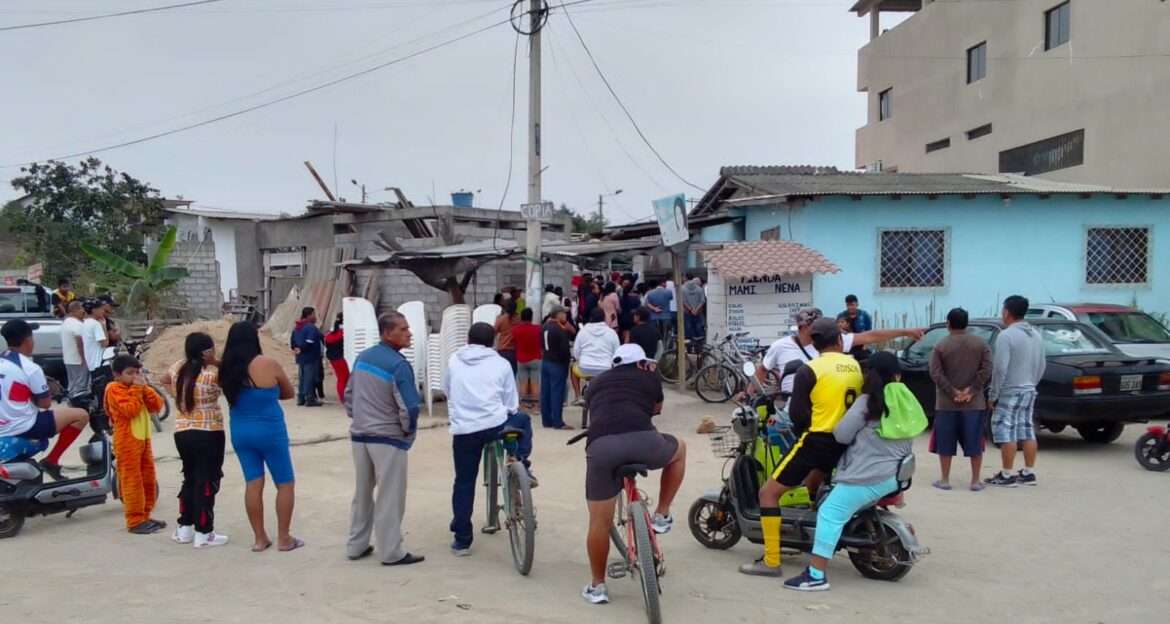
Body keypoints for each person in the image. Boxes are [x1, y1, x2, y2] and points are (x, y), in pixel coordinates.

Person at [741, 318, 862, 577]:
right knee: (813, 486)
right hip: (846, 441)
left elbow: (797, 414)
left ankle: (771, 561)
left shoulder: (810, 370)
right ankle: (812, 537)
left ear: (814, 343)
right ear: (840, 340)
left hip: (817, 439)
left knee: (768, 494)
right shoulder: (854, 366)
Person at [783, 352, 915, 592]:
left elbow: (842, 434)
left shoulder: (867, 402)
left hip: (868, 475)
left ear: (870, 375)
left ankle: (815, 575)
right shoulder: (904, 398)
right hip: (897, 472)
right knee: (839, 504)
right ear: (897, 374)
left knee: (829, 512)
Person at [580, 343, 686, 605]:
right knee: (680, 448)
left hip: (603, 448)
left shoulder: (596, 383)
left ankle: (598, 586)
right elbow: (656, 410)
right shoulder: (648, 377)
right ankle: (662, 514)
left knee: (598, 523)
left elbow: (593, 408)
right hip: (645, 443)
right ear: (640, 363)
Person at [443, 322, 536, 556]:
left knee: (464, 482)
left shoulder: (454, 360)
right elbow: (511, 403)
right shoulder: (501, 363)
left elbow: (448, 389)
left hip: (465, 430)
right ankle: (520, 462)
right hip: (495, 425)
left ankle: (462, 539)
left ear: (467, 339)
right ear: (493, 340)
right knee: (522, 420)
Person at [345, 312, 425, 566]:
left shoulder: (362, 358)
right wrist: (407, 432)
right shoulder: (398, 365)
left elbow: (349, 393)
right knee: (390, 496)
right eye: (403, 329)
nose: (409, 333)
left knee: (362, 493)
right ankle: (391, 552)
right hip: (387, 438)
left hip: (360, 435)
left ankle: (356, 545)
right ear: (387, 333)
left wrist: (358, 417)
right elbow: (410, 406)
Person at [221, 321, 303, 552]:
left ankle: (260, 538)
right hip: (270, 431)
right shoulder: (268, 364)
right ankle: (284, 538)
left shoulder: (225, 368)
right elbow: (288, 393)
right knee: (285, 483)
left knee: (253, 483)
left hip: (240, 432)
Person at [756, 308, 923, 397]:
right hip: (794, 409)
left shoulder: (834, 341)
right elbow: (763, 369)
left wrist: (905, 332)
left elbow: (869, 336)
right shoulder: (780, 346)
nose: (819, 328)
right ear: (803, 327)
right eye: (815, 324)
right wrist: (750, 395)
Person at [162, 332, 229, 548]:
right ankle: (204, 531)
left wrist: (177, 396)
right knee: (207, 480)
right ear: (206, 352)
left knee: (190, 478)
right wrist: (216, 362)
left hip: (182, 431)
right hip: (209, 431)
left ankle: (185, 528)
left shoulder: (178, 367)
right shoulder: (213, 372)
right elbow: (232, 376)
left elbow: (164, 379)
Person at [0, 320, 89, 481]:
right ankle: (52, 460)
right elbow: (45, 404)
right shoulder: (30, 368)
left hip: (3, 425)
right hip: (24, 426)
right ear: (28, 341)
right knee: (81, 415)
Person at [985, 295, 1046, 487]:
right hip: (1029, 389)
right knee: (1027, 430)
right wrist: (1032, 383)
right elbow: (1042, 364)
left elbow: (1000, 368)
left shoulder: (1007, 336)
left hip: (1010, 390)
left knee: (1006, 432)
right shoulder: (1036, 334)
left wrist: (993, 394)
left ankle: (1006, 474)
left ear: (1006, 312)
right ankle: (1029, 471)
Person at [929, 308, 992, 491]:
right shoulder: (980, 344)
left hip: (946, 404)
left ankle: (945, 479)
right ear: (967, 322)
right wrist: (971, 390)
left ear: (948, 322)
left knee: (945, 443)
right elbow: (987, 369)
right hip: (974, 403)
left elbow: (935, 373)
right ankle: (975, 480)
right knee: (975, 443)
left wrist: (952, 392)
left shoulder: (941, 345)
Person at [104, 354, 167, 534]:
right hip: (127, 441)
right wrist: (137, 390)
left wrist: (144, 388)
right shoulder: (113, 389)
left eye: (137, 372)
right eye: (130, 373)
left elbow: (157, 405)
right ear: (117, 375)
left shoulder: (137, 387)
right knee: (132, 480)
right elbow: (129, 410)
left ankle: (145, 515)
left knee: (147, 477)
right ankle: (134, 520)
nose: (134, 376)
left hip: (143, 439)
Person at [571, 308, 620, 403]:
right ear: (604, 318)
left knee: (572, 368)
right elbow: (617, 354)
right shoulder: (611, 333)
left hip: (585, 369)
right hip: (606, 369)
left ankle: (578, 397)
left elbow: (576, 353)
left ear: (590, 318)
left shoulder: (583, 331)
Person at [540, 306, 574, 430]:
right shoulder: (560, 329)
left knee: (545, 392)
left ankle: (546, 420)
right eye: (563, 313)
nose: (565, 315)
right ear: (558, 314)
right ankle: (558, 422)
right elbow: (565, 349)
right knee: (557, 392)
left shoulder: (544, 326)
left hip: (546, 360)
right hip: (558, 363)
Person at [82, 299, 112, 432]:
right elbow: (104, 343)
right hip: (100, 362)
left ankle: (102, 424)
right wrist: (104, 325)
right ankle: (105, 424)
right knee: (105, 394)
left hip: (92, 363)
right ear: (93, 310)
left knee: (99, 394)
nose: (102, 311)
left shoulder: (86, 323)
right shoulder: (95, 324)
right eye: (100, 308)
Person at [291, 307, 323, 407]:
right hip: (310, 356)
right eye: (314, 314)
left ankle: (301, 398)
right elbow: (310, 341)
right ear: (309, 315)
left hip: (300, 357)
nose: (315, 317)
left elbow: (292, 340)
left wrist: (296, 348)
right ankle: (310, 399)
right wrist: (302, 348)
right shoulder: (311, 327)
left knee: (302, 378)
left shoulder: (297, 326)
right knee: (309, 378)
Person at [60, 301, 89, 409]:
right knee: (80, 384)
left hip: (69, 359)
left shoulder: (66, 322)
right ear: (74, 311)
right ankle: (78, 406)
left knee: (72, 383)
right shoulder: (76, 324)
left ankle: (71, 403)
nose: (83, 311)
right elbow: (79, 342)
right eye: (81, 309)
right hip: (78, 359)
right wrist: (84, 358)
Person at [513, 308, 542, 407]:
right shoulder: (538, 329)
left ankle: (524, 405)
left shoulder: (516, 329)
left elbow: (514, 342)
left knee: (523, 383)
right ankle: (536, 405)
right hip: (535, 358)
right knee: (535, 382)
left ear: (521, 317)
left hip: (521, 359)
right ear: (531, 317)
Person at [325, 313, 349, 402]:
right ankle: (344, 398)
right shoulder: (344, 332)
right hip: (341, 358)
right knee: (345, 378)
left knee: (340, 378)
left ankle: (342, 397)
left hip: (333, 358)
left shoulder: (330, 333)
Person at [494, 300, 518, 374]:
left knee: (501, 373)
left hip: (502, 350)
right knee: (512, 374)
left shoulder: (501, 319)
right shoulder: (519, 319)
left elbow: (493, 332)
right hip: (514, 351)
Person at [682, 274, 706, 341]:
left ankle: (689, 345)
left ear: (686, 278)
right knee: (698, 328)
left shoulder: (682, 288)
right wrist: (696, 309)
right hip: (698, 312)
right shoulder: (699, 289)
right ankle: (700, 344)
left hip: (687, 312)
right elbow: (702, 301)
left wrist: (691, 309)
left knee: (688, 328)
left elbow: (683, 301)